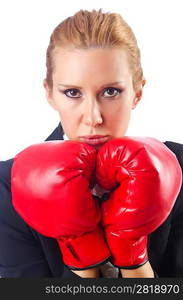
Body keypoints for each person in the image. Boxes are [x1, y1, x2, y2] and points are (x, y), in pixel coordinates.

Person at [0, 8, 183, 279]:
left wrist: (134, 257)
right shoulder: (7, 185)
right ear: (50, 94)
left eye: (111, 92)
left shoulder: (180, 168)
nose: (94, 117)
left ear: (137, 92)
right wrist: (80, 255)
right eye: (72, 93)